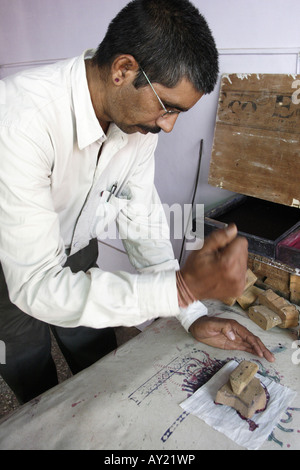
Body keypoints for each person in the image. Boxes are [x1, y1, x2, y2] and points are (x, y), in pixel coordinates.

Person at [0, 0, 274, 405]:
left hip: (77, 253)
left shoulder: (136, 129)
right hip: (13, 273)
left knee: (96, 359)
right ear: (123, 70)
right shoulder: (19, 119)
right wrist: (179, 287)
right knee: (31, 370)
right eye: (168, 108)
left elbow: (142, 227)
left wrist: (191, 311)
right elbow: (37, 285)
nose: (168, 125)